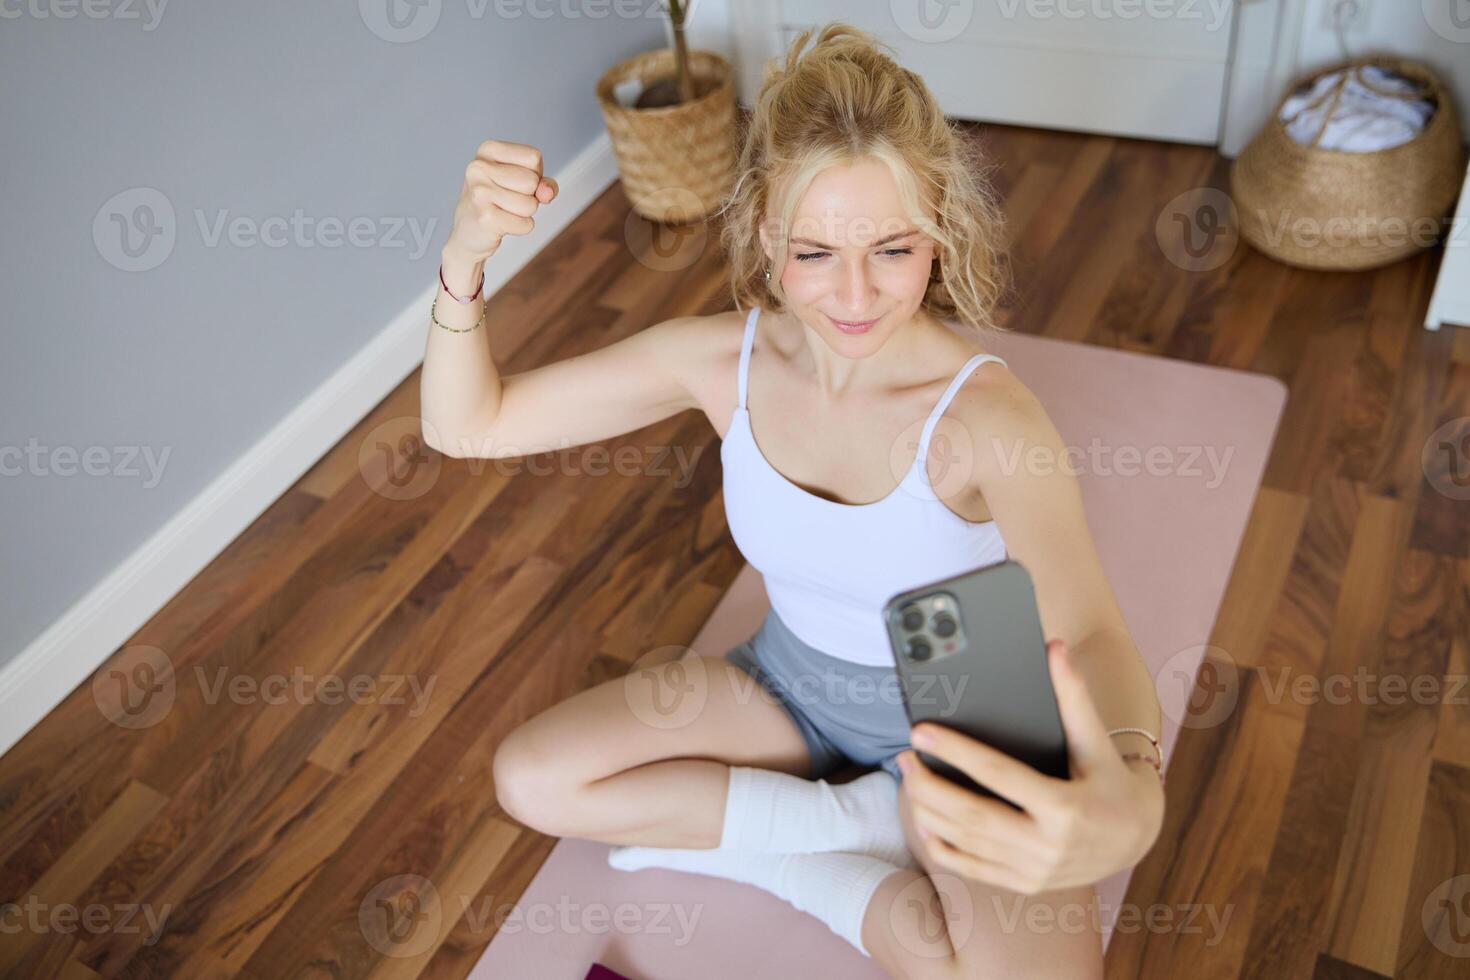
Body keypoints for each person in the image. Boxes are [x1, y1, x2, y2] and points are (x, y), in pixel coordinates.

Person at [425, 22, 1164, 979]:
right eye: (815, 253)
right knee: (534, 777)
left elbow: (1093, 629)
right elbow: (468, 426)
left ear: (937, 227)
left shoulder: (988, 419)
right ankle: (838, 825)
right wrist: (463, 255)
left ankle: (823, 833)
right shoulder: (718, 361)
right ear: (768, 239)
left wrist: (1132, 796)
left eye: (891, 249)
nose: (853, 296)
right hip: (791, 683)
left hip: (969, 700)